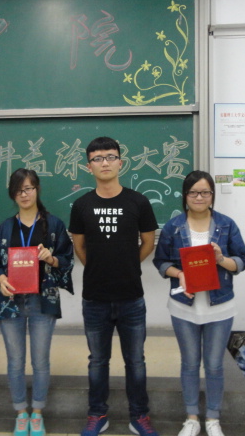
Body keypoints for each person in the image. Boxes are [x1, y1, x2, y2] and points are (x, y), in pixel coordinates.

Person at [68, 136, 159, 436]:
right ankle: (97, 414)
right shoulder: (82, 204)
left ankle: (139, 416)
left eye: (110, 156)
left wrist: (128, 265)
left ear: (121, 162)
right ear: (88, 166)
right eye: (97, 158)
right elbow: (79, 247)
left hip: (131, 297)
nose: (104, 162)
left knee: (136, 361)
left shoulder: (138, 201)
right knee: (97, 361)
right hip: (95, 298)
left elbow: (148, 242)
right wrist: (100, 268)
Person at [153, 170, 245, 436]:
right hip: (183, 306)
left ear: (212, 195)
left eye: (205, 192)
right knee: (190, 363)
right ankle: (192, 417)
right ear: (185, 196)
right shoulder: (173, 226)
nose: (199, 197)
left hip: (220, 306)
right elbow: (160, 262)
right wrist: (179, 274)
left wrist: (220, 259)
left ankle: (213, 419)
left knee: (215, 364)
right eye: (194, 192)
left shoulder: (226, 225)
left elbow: (241, 261)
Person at [0, 168, 74, 436]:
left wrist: (51, 258)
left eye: (29, 188)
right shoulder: (5, 228)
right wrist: (1, 278)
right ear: (12, 194)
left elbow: (66, 260)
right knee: (15, 361)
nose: (24, 194)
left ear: (37, 190)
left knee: (40, 360)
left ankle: (37, 412)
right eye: (19, 190)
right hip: (11, 302)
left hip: (42, 302)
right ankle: (20, 413)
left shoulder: (54, 225)